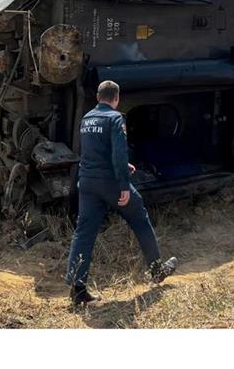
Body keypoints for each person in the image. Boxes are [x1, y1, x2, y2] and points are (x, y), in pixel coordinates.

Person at [65, 80, 178, 306]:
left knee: (83, 233)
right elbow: (118, 151)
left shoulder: (87, 119)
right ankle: (157, 270)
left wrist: (123, 166)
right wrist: (124, 185)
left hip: (87, 182)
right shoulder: (115, 118)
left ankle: (77, 288)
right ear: (116, 98)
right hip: (110, 183)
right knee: (140, 219)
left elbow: (92, 151)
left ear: (98, 98)